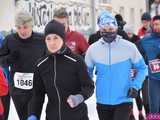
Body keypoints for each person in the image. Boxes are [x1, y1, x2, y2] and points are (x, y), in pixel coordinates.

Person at [85, 10, 148, 120]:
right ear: (100, 29)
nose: (108, 32)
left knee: (149, 104)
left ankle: (151, 117)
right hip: (102, 100)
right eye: (104, 29)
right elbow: (86, 74)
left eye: (111, 29)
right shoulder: (93, 49)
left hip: (124, 99)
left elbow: (143, 68)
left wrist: (135, 86)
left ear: (116, 28)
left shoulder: (129, 47)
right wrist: (86, 87)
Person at [27, 20, 94, 120]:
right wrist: (33, 114)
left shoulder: (76, 61)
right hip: (52, 116)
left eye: (55, 38)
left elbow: (89, 86)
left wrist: (79, 97)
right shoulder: (41, 64)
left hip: (78, 116)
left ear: (63, 39)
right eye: (48, 39)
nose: (52, 42)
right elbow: (37, 94)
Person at [0, 11, 46, 120]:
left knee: (33, 117)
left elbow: (49, 60)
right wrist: (9, 59)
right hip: (17, 89)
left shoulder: (41, 40)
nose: (22, 31)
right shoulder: (10, 40)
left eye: (25, 27)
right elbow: (1, 60)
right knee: (23, 117)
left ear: (31, 26)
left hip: (36, 88)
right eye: (19, 27)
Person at [138, 15, 160, 116]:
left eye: (159, 24)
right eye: (155, 24)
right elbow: (134, 51)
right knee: (154, 108)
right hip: (154, 80)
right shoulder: (146, 40)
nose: (157, 26)